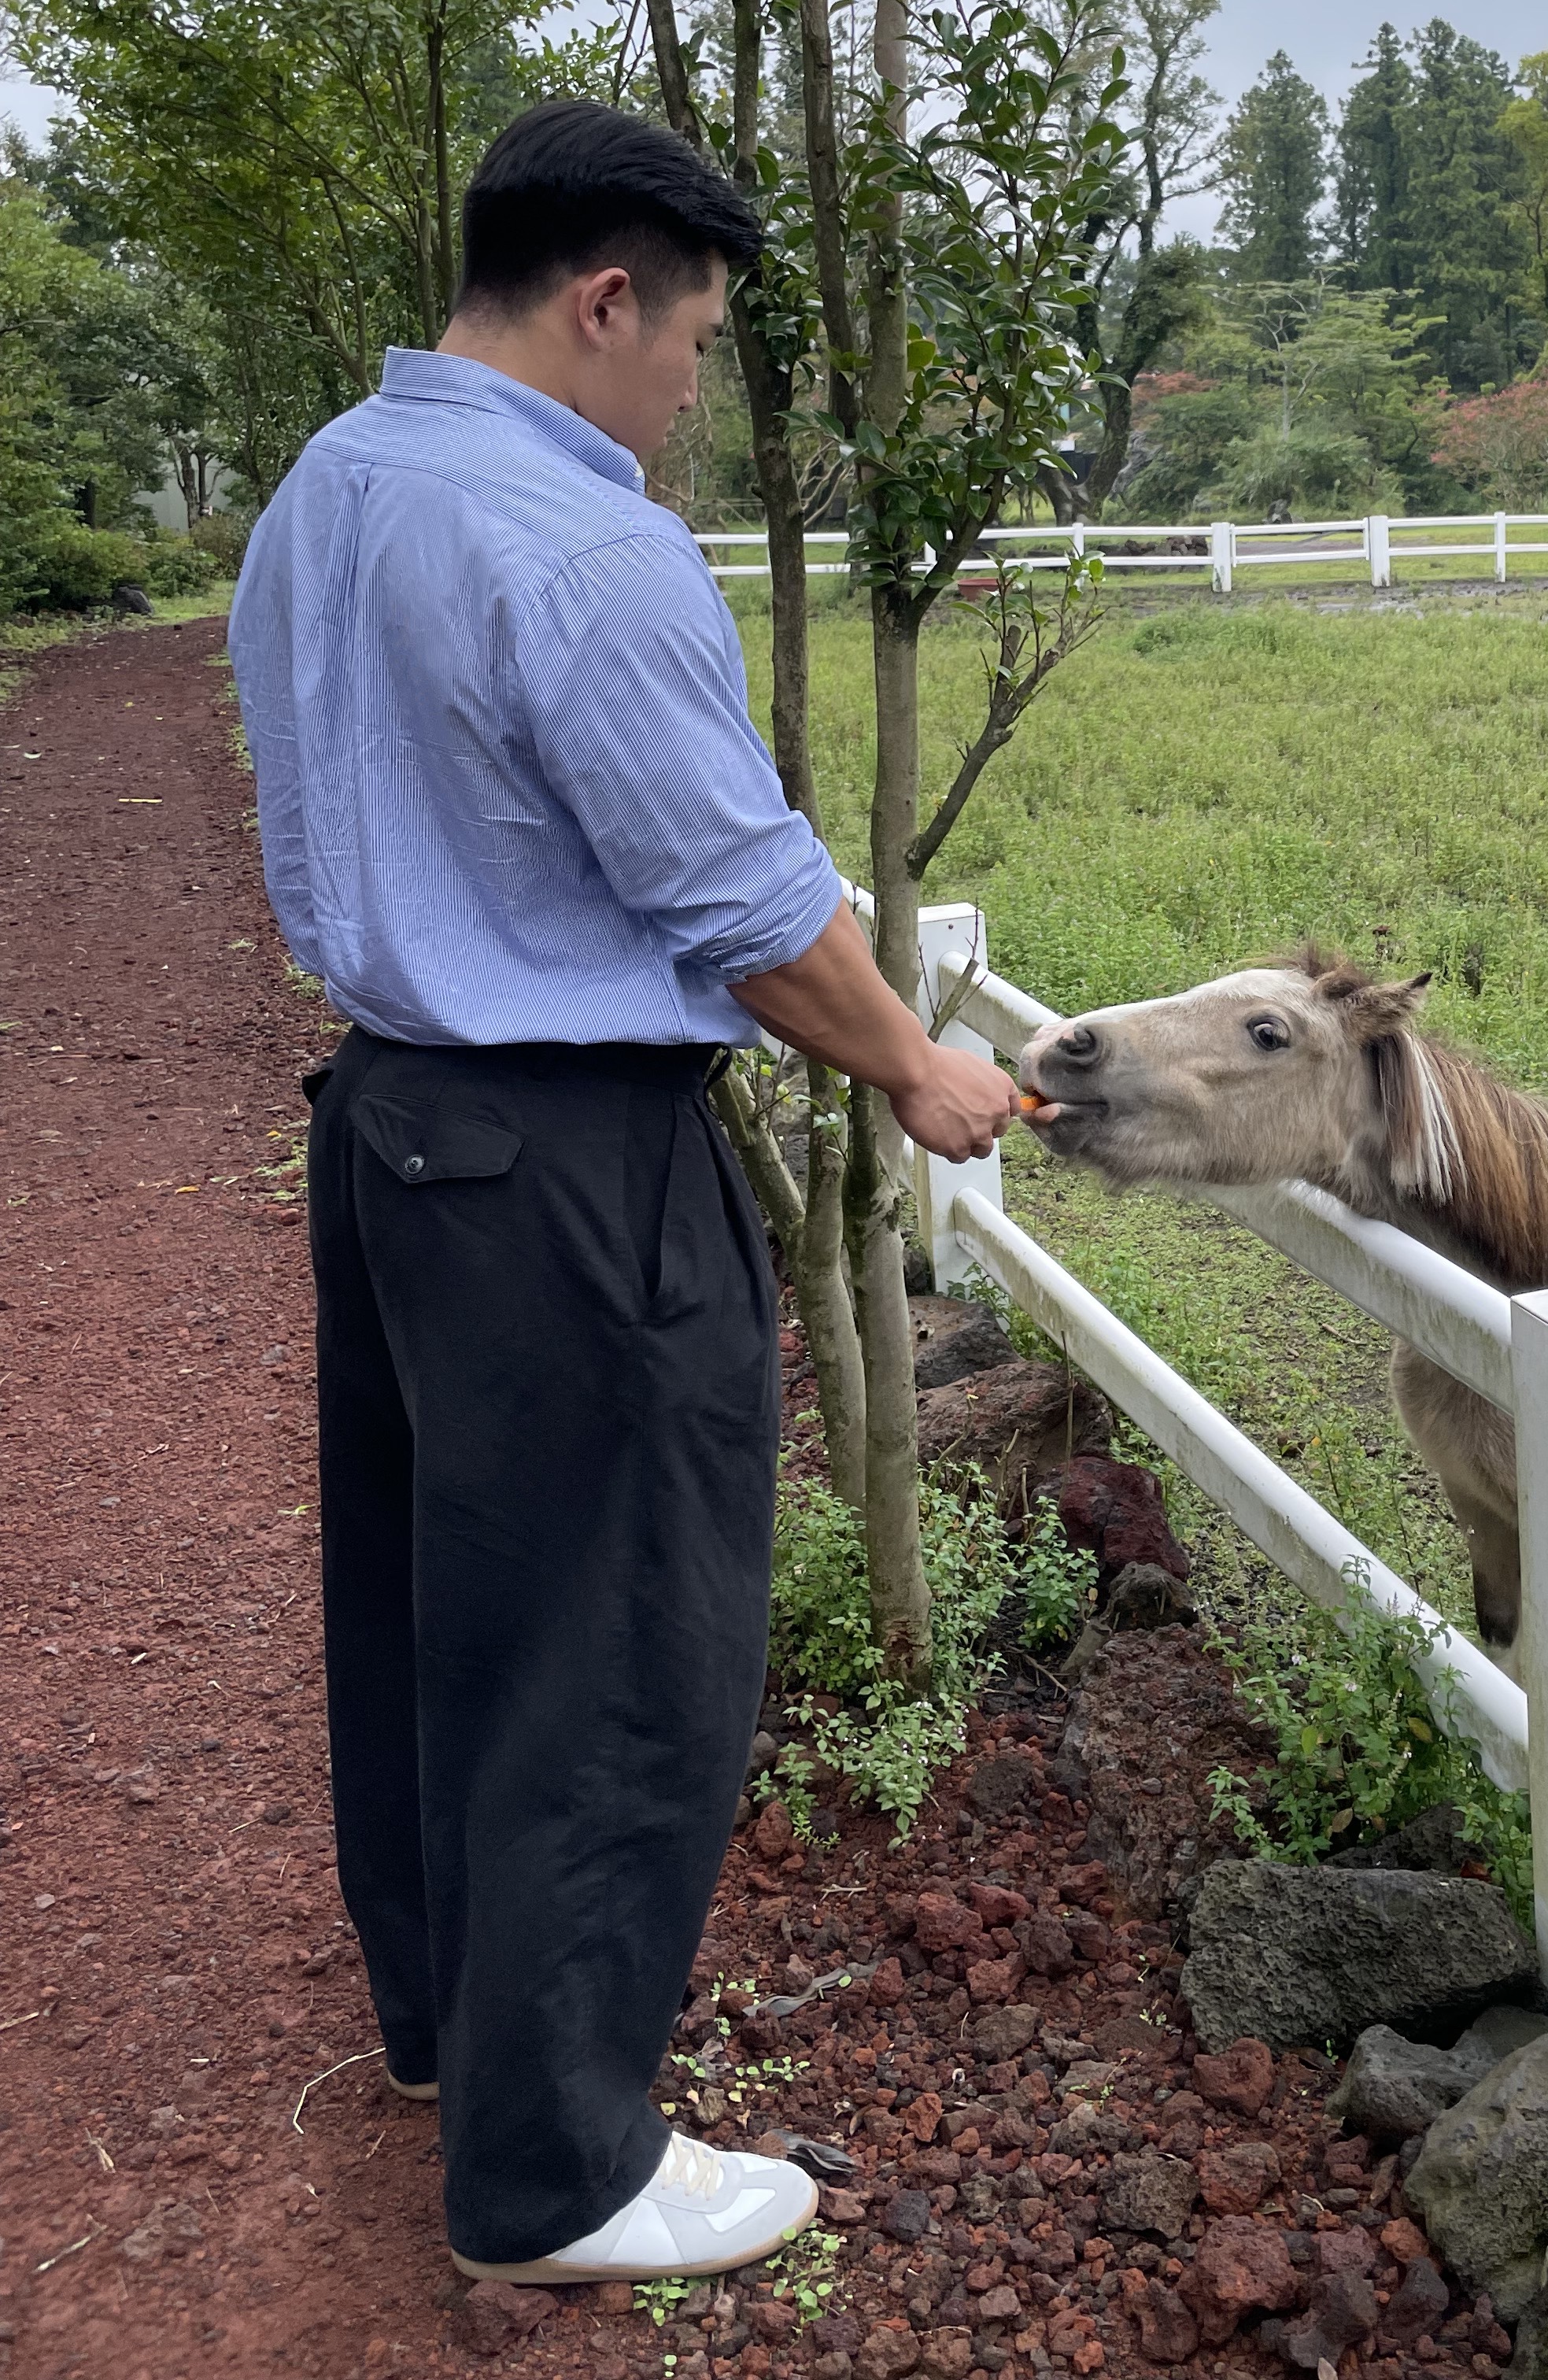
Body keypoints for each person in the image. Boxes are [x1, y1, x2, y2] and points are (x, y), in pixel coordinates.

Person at [227, 98, 1016, 2286]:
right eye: (693, 344)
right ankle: (557, 2167)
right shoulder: (581, 547)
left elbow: (312, 811)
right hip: (575, 1156)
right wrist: (918, 1069)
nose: (691, 393)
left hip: (394, 1121)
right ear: (603, 299)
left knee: (439, 1606)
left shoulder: (327, 487)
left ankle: (446, 2038)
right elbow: (746, 903)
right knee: (622, 1637)